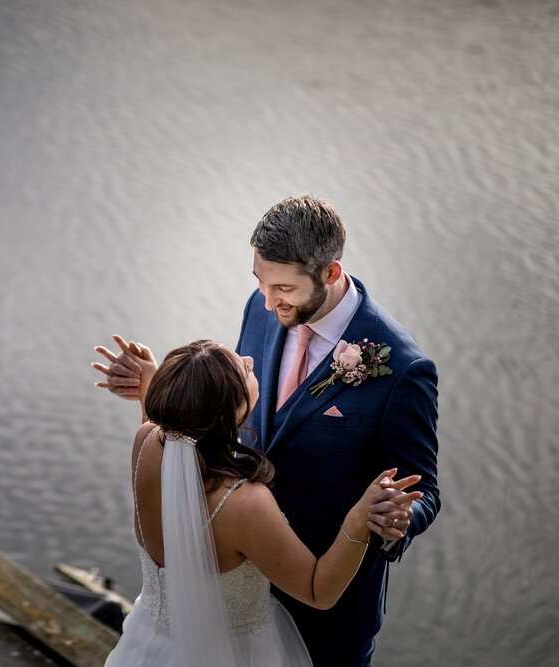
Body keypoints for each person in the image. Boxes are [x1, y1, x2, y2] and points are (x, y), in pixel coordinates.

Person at [94, 195, 440, 666]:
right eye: (259, 281)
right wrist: (165, 397)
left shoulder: (402, 368)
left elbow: (424, 489)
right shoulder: (260, 310)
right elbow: (227, 409)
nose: (267, 299)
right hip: (225, 577)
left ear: (330, 274)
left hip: (329, 604)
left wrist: (394, 521)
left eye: (283, 288)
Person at [103, 339, 423, 667]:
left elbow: (170, 454)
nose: (250, 358)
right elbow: (318, 591)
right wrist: (358, 519)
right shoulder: (244, 503)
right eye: (244, 370)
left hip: (151, 644)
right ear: (231, 411)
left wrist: (157, 385)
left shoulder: (145, 442)